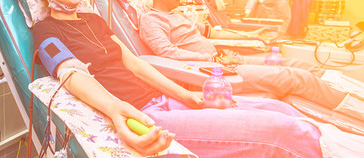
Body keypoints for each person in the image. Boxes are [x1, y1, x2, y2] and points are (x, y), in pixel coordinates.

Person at [32, 0, 364, 158]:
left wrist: (187, 96)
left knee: (282, 110)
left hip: (164, 102)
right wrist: (118, 111)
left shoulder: (96, 22)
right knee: (284, 132)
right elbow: (69, 73)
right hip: (142, 117)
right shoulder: (46, 29)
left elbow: (136, 65)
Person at [138, 0, 355, 114]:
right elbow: (166, 53)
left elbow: (214, 33)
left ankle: (349, 91)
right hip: (208, 73)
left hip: (223, 61)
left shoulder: (178, 14)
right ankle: (354, 109)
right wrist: (209, 59)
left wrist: (251, 35)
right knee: (297, 77)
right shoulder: (152, 20)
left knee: (297, 63)